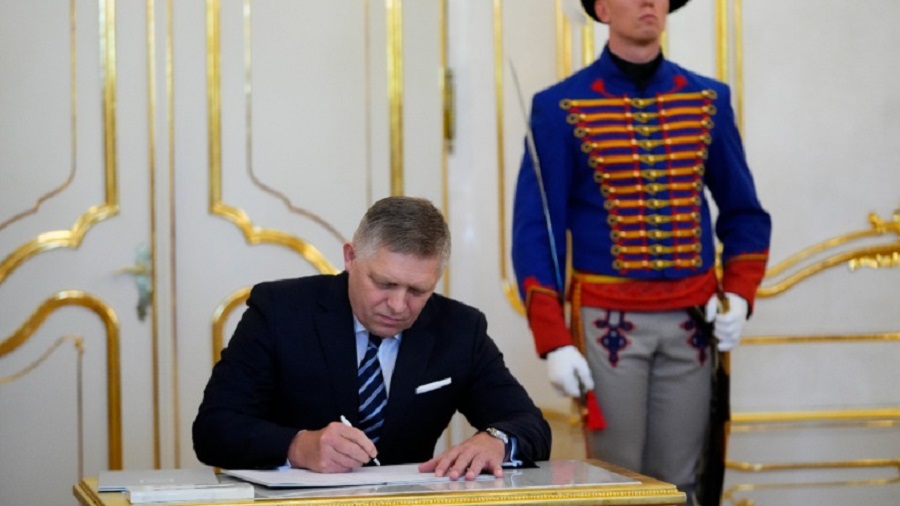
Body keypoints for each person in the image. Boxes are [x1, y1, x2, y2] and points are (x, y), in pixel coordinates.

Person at [511, 0, 771, 499]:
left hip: (693, 324)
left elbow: (744, 213)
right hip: (610, 326)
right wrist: (555, 338)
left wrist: (738, 293)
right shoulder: (560, 106)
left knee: (682, 480)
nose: (649, 2)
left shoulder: (707, 99)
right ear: (603, 9)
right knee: (617, 481)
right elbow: (536, 232)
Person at [194, 196, 551, 481]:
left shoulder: (459, 328)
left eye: (417, 290)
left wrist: (497, 442)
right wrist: (299, 446)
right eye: (383, 284)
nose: (398, 305)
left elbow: (530, 424)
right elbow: (214, 429)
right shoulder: (279, 311)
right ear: (350, 257)